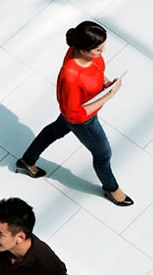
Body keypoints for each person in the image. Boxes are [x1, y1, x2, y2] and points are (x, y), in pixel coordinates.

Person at [16, 20, 133, 206]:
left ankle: (26, 161)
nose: (103, 53)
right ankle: (111, 188)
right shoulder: (71, 77)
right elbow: (75, 115)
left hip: (80, 107)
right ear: (83, 49)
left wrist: (105, 83)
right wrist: (108, 96)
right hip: (83, 120)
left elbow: (97, 70)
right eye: (98, 50)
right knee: (103, 154)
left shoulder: (82, 53)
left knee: (55, 130)